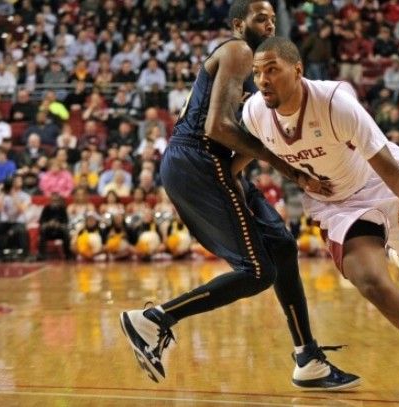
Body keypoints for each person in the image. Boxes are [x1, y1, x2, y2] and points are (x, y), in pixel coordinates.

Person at [241, 37, 399, 404]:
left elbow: (389, 169)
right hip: (338, 205)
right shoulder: (254, 112)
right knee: (370, 282)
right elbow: (254, 152)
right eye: (256, 73)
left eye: (272, 70)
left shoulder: (335, 104)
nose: (262, 80)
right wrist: (296, 177)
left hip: (379, 182)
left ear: (297, 70)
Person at [119, 0, 358, 390]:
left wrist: (253, 177)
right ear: (237, 24)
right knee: (258, 272)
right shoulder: (237, 51)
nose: (269, 24)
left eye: (272, 18)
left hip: (213, 164)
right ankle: (155, 319)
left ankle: (308, 358)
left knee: (282, 245)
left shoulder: (259, 76)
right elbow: (216, 128)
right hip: (197, 157)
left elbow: (252, 137)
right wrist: (293, 172)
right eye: (260, 18)